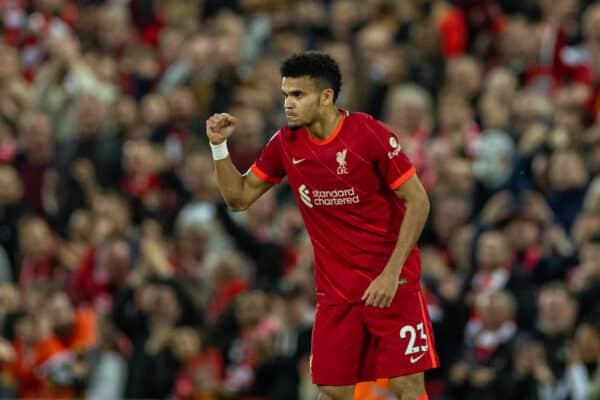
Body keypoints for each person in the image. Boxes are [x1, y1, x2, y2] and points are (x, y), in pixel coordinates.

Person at [206, 51, 438, 400]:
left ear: (326, 96)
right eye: (286, 94)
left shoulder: (367, 133)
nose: (288, 104)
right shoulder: (286, 143)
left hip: (391, 285)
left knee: (407, 385)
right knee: (331, 391)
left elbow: (418, 201)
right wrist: (218, 147)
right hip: (337, 293)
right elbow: (238, 198)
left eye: (298, 95)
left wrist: (391, 274)